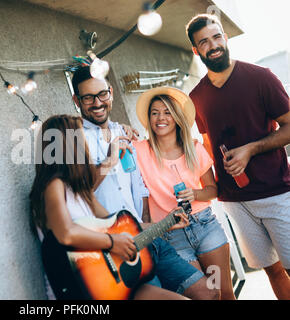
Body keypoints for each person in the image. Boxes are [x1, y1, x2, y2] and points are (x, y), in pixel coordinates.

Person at [70, 66, 220, 299]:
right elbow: (79, 192)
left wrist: (149, 223)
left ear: (110, 92)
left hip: (149, 238)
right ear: (76, 100)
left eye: (102, 94)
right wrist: (109, 160)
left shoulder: (123, 132)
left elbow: (138, 183)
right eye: (88, 97)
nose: (97, 103)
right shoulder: (74, 140)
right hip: (116, 248)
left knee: (208, 292)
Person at [30, 114, 201, 300]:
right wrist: (112, 242)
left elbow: (122, 228)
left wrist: (167, 223)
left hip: (111, 281)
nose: (86, 145)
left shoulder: (81, 191)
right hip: (82, 290)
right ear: (69, 145)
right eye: (81, 137)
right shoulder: (52, 186)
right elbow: (66, 233)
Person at [186, 13, 290, 299]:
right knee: (272, 270)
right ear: (196, 51)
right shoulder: (196, 97)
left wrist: (251, 149)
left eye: (217, 37)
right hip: (235, 200)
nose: (213, 45)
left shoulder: (261, 78)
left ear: (226, 38)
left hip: (277, 191)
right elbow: (207, 146)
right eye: (204, 42)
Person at [133, 86, 235, 299]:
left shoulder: (194, 148)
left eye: (167, 112)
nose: (161, 118)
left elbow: (212, 190)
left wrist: (194, 194)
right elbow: (114, 146)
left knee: (223, 293)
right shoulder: (139, 150)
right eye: (155, 113)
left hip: (204, 225)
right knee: (202, 296)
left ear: (177, 117)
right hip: (170, 234)